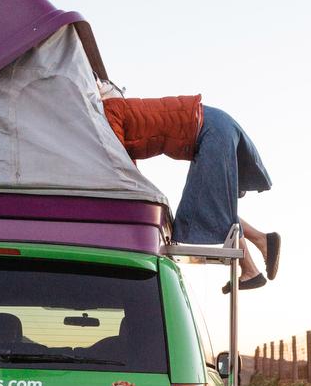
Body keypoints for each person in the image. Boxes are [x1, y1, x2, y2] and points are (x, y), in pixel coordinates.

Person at [98, 81, 280, 292]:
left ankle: (254, 260)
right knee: (208, 205)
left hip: (211, 129)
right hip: (211, 128)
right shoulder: (121, 111)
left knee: (213, 207)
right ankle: (256, 254)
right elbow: (126, 166)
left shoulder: (111, 110)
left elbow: (117, 162)